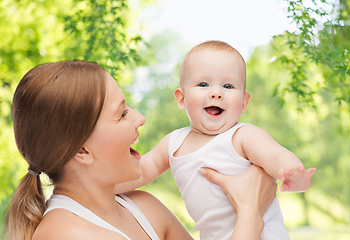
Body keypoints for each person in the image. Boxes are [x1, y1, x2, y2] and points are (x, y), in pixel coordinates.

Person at [5, 60, 278, 240]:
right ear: (81, 150)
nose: (139, 118)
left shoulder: (143, 207)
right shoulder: (67, 235)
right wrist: (250, 213)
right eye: (122, 114)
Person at [115, 41, 317, 240]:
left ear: (244, 102)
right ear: (181, 99)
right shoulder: (173, 143)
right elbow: (139, 172)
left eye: (228, 86)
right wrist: (100, 189)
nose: (216, 93)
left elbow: (275, 154)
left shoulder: (242, 136)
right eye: (203, 84)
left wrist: (291, 171)